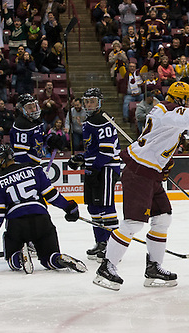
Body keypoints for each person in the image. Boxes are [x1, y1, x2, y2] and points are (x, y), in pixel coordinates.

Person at [93, 82, 189, 290]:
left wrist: (163, 162)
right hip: (139, 171)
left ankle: (154, 267)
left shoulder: (169, 113)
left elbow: (172, 135)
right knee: (133, 223)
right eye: (188, 100)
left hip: (150, 171)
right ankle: (107, 267)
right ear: (178, 99)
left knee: (163, 218)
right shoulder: (168, 109)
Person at [0, 145, 86, 274]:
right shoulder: (34, 169)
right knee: (49, 257)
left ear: (2, 160)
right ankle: (58, 258)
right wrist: (69, 208)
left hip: (17, 224)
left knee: (11, 258)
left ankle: (19, 257)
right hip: (42, 220)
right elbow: (51, 195)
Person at [67, 88, 121, 262]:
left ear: (100, 102)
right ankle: (101, 242)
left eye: (93, 101)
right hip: (94, 167)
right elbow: (94, 149)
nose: (89, 104)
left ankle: (114, 248)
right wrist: (81, 159)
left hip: (105, 168)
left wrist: (94, 167)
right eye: (87, 101)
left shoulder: (104, 120)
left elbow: (106, 152)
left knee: (106, 208)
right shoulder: (89, 121)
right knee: (93, 207)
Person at [10, 94, 46, 165]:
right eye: (29, 108)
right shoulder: (21, 124)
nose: (33, 110)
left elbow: (39, 138)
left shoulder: (36, 120)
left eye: (34, 106)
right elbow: (19, 153)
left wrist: (49, 139)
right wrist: (30, 167)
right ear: (21, 109)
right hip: (25, 165)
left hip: (35, 161)